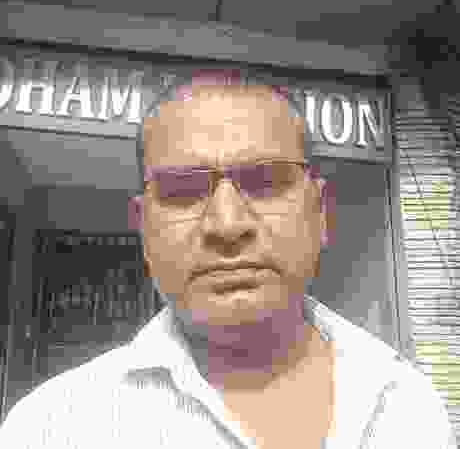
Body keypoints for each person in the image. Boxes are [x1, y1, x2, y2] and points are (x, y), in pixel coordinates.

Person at [0, 68, 456, 449]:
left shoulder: (408, 407)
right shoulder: (52, 429)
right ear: (143, 229)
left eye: (266, 181)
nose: (227, 224)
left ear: (321, 213)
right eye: (182, 190)